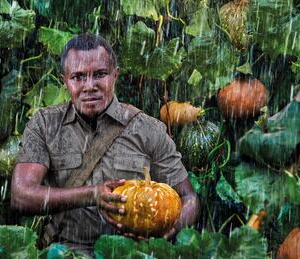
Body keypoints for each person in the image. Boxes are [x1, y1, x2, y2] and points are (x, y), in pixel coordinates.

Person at [11, 33, 200, 256]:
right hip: (66, 253)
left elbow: (189, 199)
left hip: (132, 254)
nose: (89, 86)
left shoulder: (148, 129)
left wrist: (173, 228)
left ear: (115, 75)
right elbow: (21, 196)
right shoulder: (45, 124)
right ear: (65, 80)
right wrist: (91, 195)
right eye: (78, 77)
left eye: (100, 74)